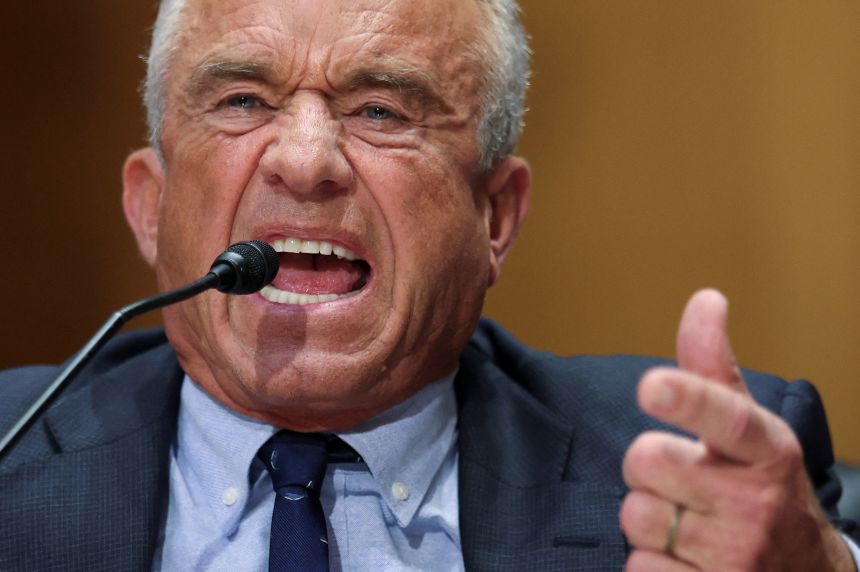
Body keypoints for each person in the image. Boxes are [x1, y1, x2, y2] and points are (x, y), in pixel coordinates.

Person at [0, 0, 857, 570]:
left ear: (495, 218)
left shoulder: (680, 480)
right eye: (241, 101)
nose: (304, 162)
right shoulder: (11, 457)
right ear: (149, 208)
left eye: (381, 111)